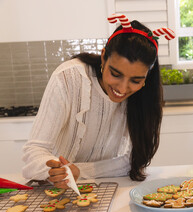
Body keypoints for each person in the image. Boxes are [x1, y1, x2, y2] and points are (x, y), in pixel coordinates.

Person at [22, 14, 175, 189]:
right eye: (116, 74)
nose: (123, 89)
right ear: (103, 57)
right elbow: (34, 151)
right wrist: (55, 170)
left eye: (136, 80)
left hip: (105, 188)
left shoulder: (144, 96)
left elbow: (132, 161)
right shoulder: (68, 77)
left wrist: (79, 171)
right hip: (54, 188)